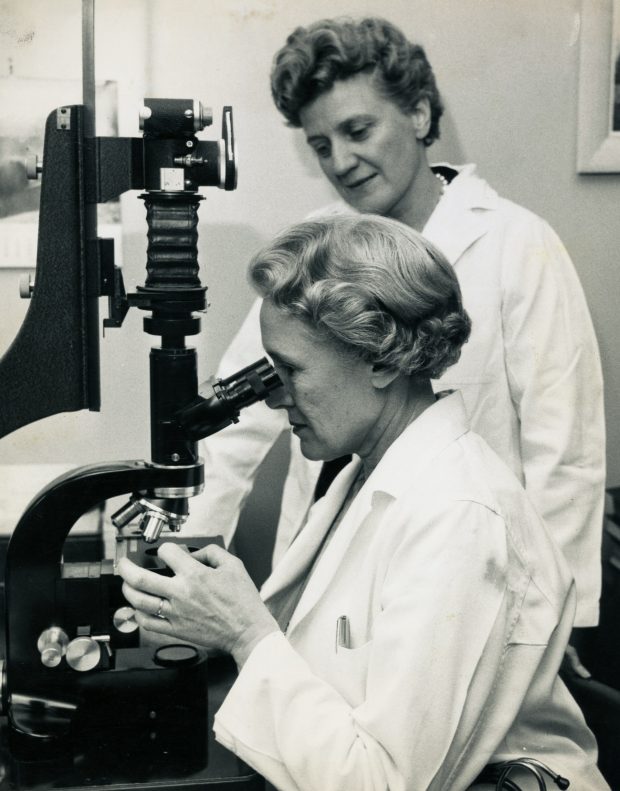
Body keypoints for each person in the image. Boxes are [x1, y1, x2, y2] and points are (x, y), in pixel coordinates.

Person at [119, 215, 609, 791]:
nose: (274, 398)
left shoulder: (459, 515)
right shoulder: (364, 475)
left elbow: (382, 781)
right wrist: (205, 622)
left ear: (380, 360)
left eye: (291, 370)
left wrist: (244, 634)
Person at [194, 16, 605, 629]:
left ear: (417, 114)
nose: (341, 160)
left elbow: (564, 451)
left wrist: (553, 622)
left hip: (467, 580)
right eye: (321, 144)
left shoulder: (515, 244)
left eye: (358, 130)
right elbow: (235, 412)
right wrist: (191, 547)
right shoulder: (315, 253)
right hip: (331, 563)